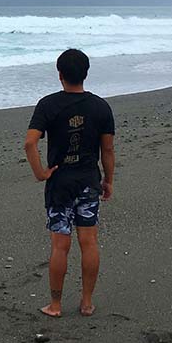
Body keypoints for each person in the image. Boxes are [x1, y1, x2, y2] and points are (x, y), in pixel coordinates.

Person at [24, 49, 115, 318]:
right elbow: (107, 150)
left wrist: (40, 172)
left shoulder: (48, 104)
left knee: (60, 245)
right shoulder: (100, 106)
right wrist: (108, 180)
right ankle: (86, 303)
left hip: (59, 183)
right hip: (88, 181)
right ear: (85, 73)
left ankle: (55, 304)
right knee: (89, 242)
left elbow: (30, 142)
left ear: (60, 74)